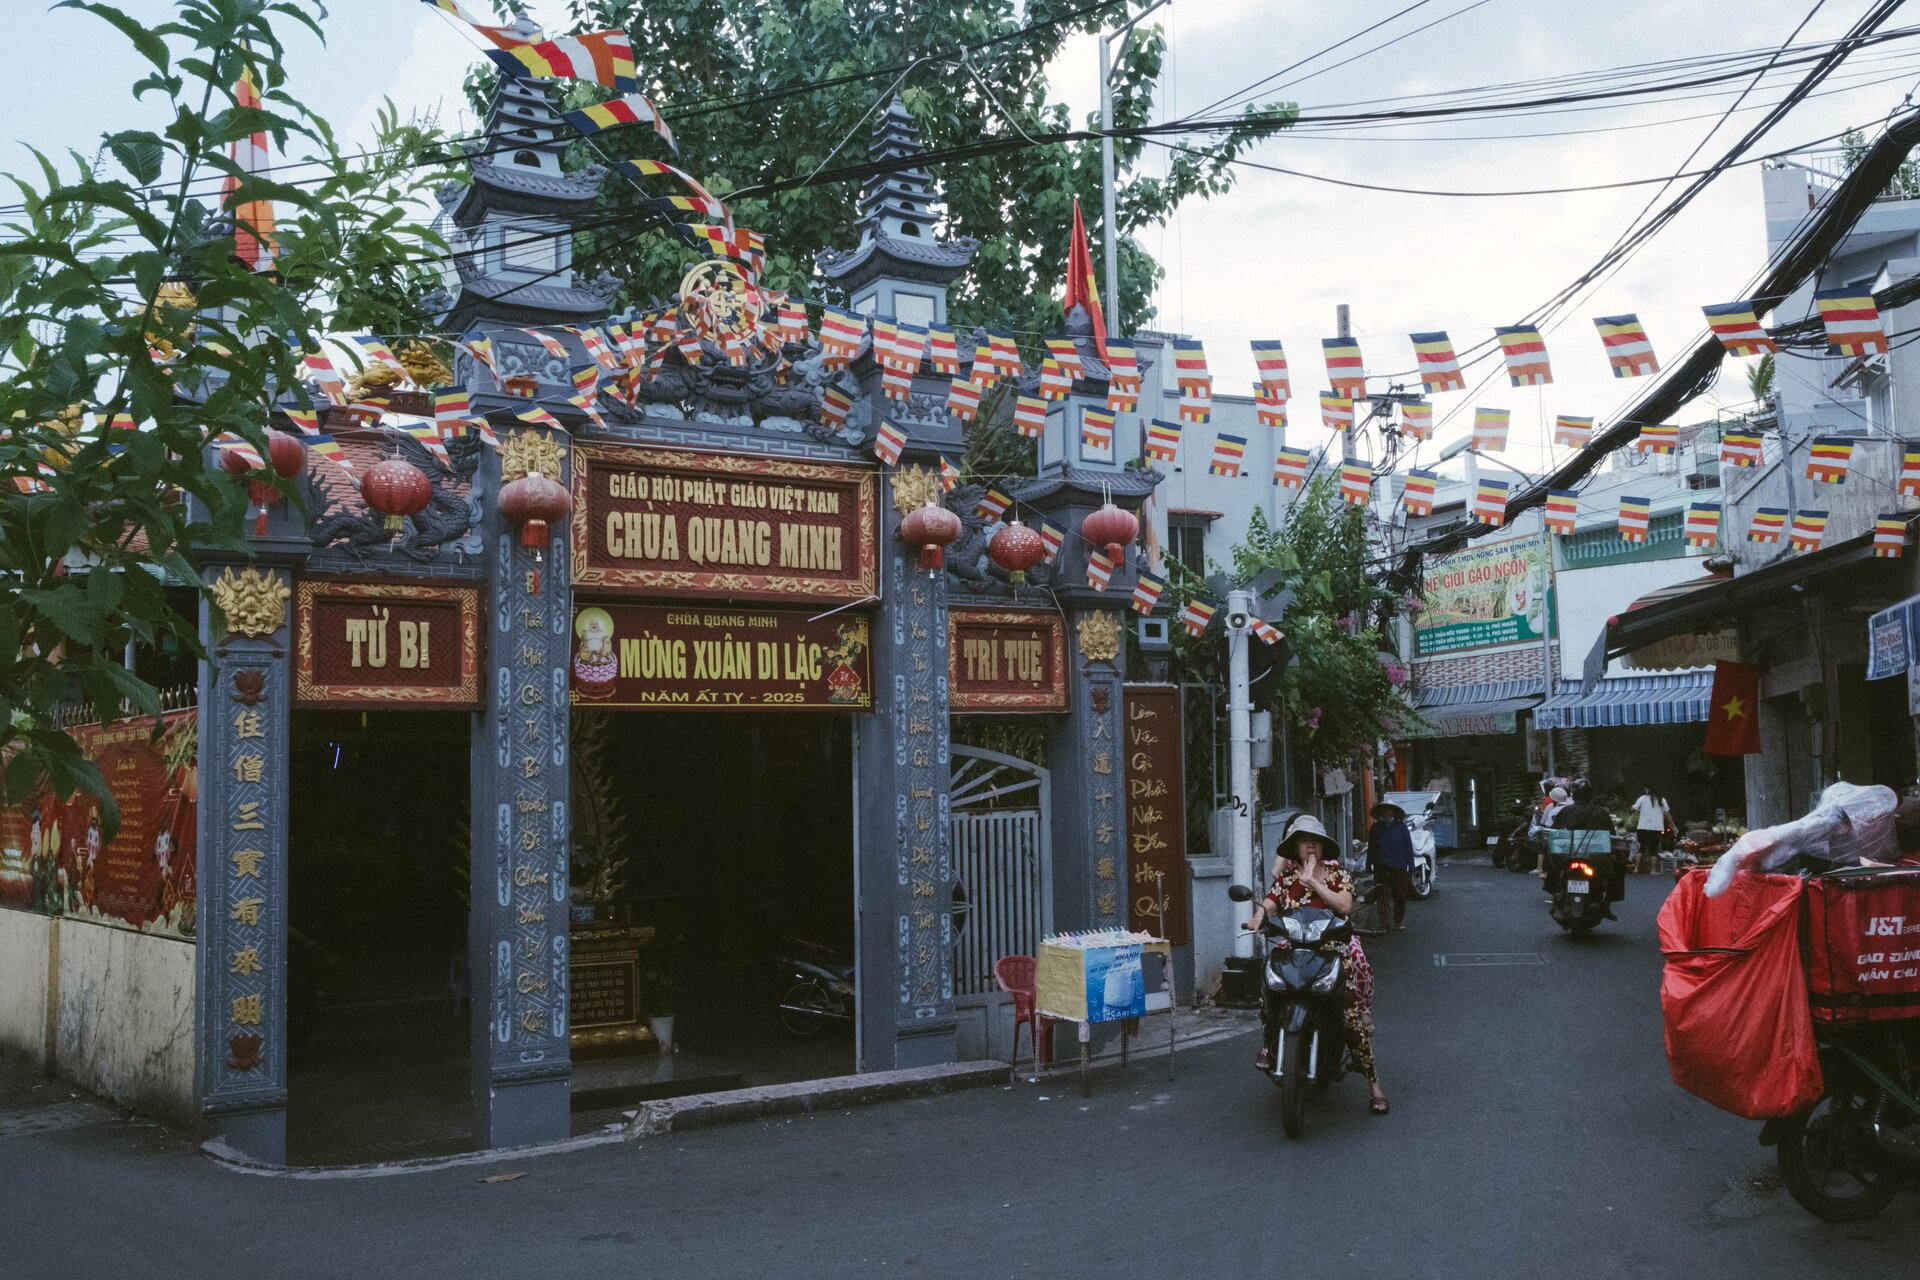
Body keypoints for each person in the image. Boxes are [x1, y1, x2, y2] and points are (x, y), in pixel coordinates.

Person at [1244, 814, 1390, 1115]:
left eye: (1315, 842)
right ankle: (1269, 1046)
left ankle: (1374, 1084)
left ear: (1323, 848)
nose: (1309, 846)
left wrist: (1313, 882)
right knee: (1269, 985)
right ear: (1295, 848)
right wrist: (1258, 918)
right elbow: (1271, 901)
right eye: (1304, 841)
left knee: (1348, 1014)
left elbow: (1345, 906)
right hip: (1294, 945)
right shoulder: (1286, 877)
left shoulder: (1338, 874)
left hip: (1331, 948)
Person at [1552, 781, 1623, 917]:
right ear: (1591, 795)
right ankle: (1607, 904)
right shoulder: (1601, 812)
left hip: (1568, 856)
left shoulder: (1565, 811)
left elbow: (1554, 832)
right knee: (1618, 868)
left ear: (1574, 795)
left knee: (1553, 867)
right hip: (1596, 857)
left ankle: (1556, 897)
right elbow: (1611, 834)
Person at [1366, 802, 1415, 930]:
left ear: (1394, 812)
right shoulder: (1375, 828)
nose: (1387, 813)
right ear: (1380, 813)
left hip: (1399, 867)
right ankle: (1384, 923)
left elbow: (1408, 847)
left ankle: (1398, 921)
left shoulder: (1401, 827)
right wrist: (1368, 864)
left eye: (1389, 811)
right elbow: (1371, 848)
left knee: (1400, 896)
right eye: (1384, 811)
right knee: (1382, 896)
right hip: (1380, 866)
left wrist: (1411, 864)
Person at [1630, 786, 1673, 873]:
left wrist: (1634, 807)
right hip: (1656, 828)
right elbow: (1667, 814)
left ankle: (1636, 868)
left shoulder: (1642, 798)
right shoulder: (1662, 800)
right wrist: (1673, 825)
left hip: (1642, 827)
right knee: (1654, 850)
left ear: (1648, 790)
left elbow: (1632, 809)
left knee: (1641, 848)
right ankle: (1653, 871)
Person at [1533, 785, 1570, 877]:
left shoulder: (1553, 810)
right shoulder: (1572, 808)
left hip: (1557, 841)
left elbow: (1546, 826)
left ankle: (1544, 870)